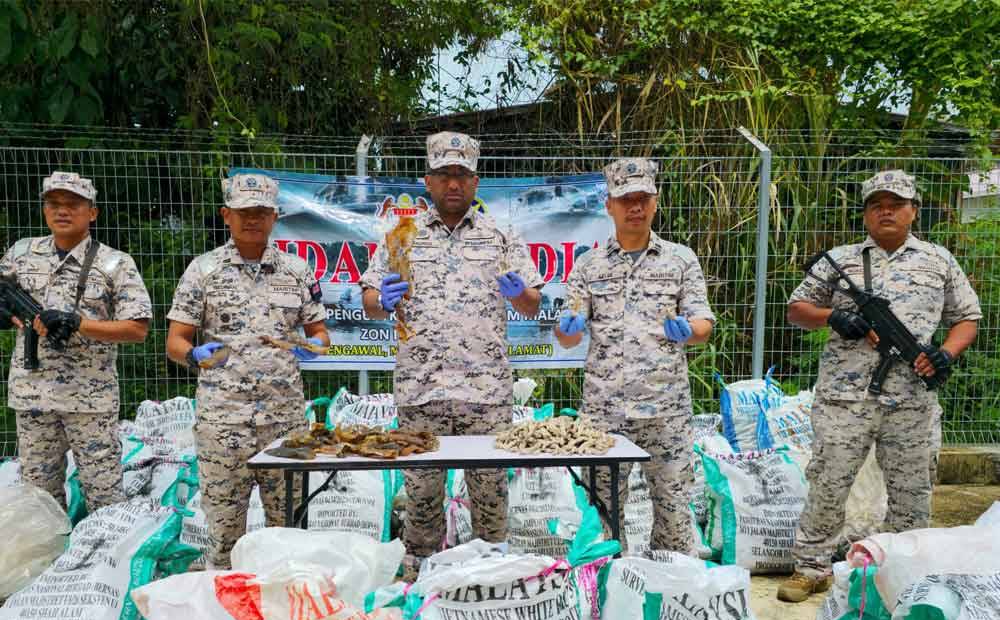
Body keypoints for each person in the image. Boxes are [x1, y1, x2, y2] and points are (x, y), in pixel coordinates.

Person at [778, 169, 981, 602]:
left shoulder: (938, 261)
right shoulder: (842, 260)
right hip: (844, 398)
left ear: (913, 211)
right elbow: (796, 308)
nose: (885, 210)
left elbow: (968, 317)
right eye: (876, 204)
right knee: (830, 480)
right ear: (866, 214)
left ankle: (907, 571)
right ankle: (810, 567)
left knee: (912, 490)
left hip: (911, 399)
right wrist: (833, 317)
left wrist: (945, 353)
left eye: (895, 203)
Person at [360, 131, 543, 574]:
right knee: (421, 506)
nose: (454, 183)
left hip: (485, 394)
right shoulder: (401, 235)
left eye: (462, 174)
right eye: (444, 174)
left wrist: (521, 295)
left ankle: (492, 590)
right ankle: (418, 594)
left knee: (490, 505)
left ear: (476, 182)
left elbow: (533, 304)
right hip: (422, 393)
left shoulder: (501, 236)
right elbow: (368, 301)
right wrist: (380, 300)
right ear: (428, 181)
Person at [165, 173, 329, 569]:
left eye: (260, 212)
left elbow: (320, 333)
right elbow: (175, 341)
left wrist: (314, 348)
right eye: (243, 212)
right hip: (223, 425)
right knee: (224, 538)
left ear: (275, 216)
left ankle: (287, 613)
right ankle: (225, 615)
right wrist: (194, 355)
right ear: (226, 215)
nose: (251, 219)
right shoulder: (203, 271)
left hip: (284, 426)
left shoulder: (297, 271)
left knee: (289, 535)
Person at [555, 158, 714, 553]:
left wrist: (688, 330)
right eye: (626, 199)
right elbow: (567, 337)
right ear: (609, 205)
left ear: (655, 202)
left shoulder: (681, 259)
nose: (635, 207)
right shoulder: (589, 265)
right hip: (605, 412)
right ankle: (610, 593)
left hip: (666, 409)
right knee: (603, 514)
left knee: (675, 515)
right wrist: (568, 327)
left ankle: (670, 596)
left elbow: (704, 327)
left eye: (643, 198)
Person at [0, 171, 151, 513]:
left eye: (73, 204)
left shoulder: (115, 264)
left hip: (90, 400)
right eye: (53, 204)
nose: (62, 211)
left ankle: (105, 563)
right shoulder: (21, 254)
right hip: (32, 395)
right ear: (44, 210)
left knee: (105, 497)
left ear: (92, 212)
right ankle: (46, 564)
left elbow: (138, 329)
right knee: (38, 502)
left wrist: (79, 323)